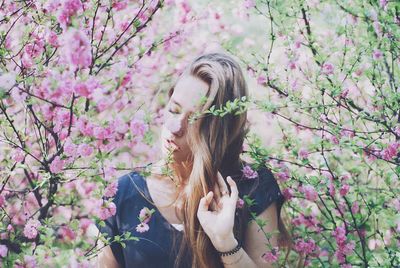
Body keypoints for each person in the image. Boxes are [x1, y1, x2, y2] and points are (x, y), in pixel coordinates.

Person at [90, 52, 291, 268]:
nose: (175, 127)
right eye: (173, 109)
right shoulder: (121, 195)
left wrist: (225, 242)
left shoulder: (253, 187)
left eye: (194, 121)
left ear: (218, 132)